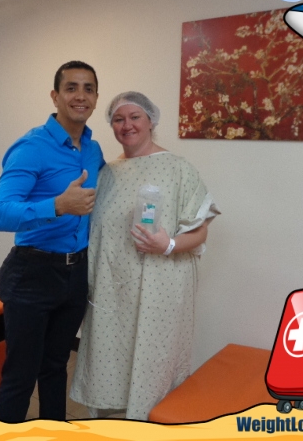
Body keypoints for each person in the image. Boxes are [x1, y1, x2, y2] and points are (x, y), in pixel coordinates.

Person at [69, 91, 221, 420]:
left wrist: (168, 245)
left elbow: (201, 231)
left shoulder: (178, 168)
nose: (127, 125)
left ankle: (151, 424)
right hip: (111, 291)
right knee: (110, 360)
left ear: (151, 121)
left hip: (161, 290)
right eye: (118, 119)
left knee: (154, 363)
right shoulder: (106, 174)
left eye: (135, 117)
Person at [0, 60, 104, 422]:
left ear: (96, 97)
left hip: (76, 273)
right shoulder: (31, 147)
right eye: (71, 88)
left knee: (56, 366)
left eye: (88, 88)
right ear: (55, 96)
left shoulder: (93, 150)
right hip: (32, 273)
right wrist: (57, 205)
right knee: (20, 376)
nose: (80, 96)